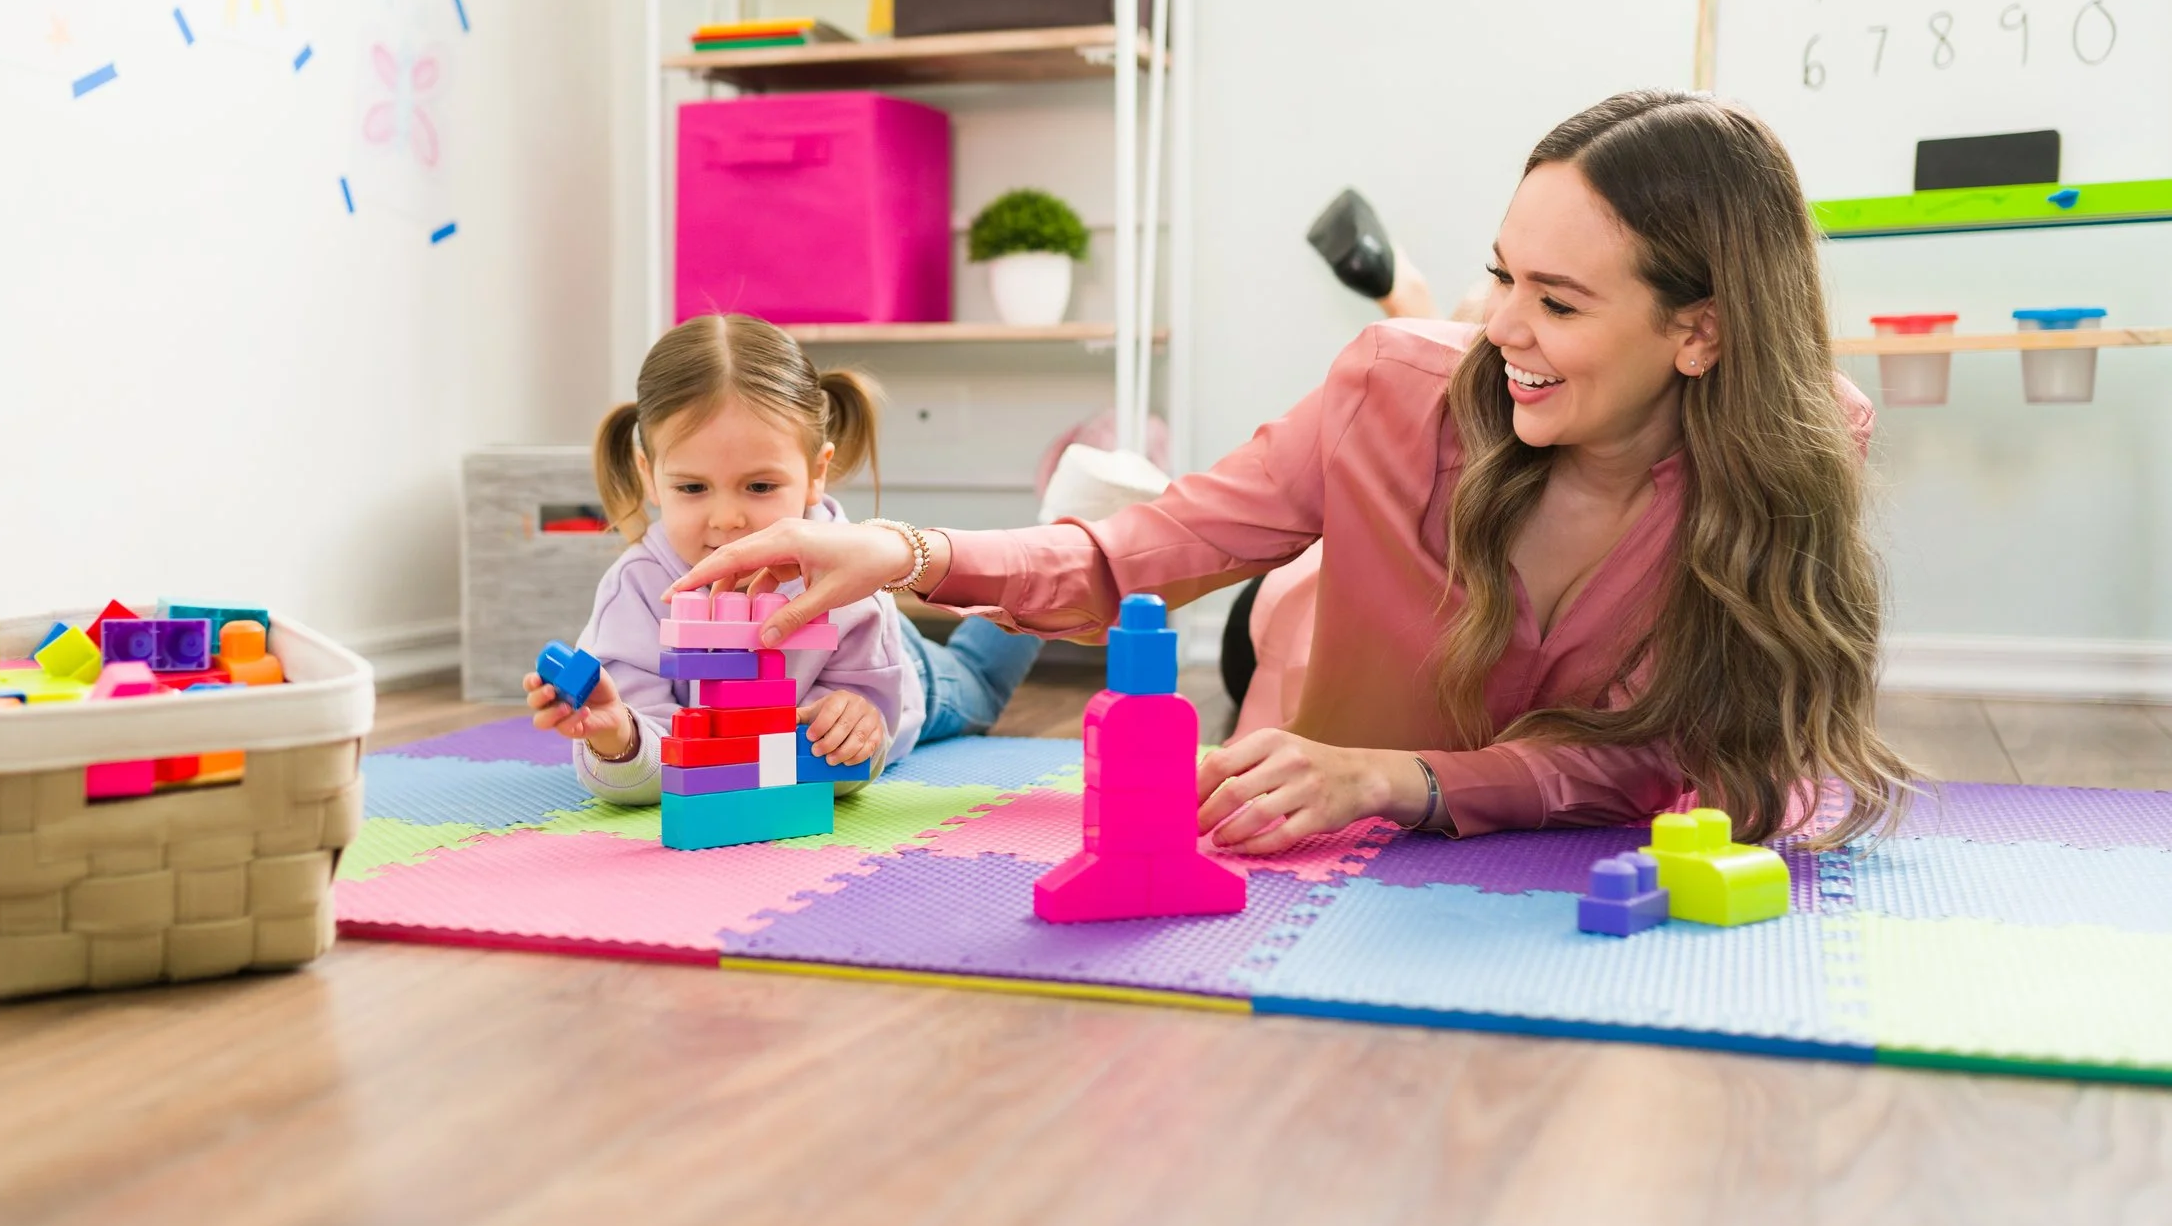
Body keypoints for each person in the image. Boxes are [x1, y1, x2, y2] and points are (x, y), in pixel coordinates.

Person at [664, 91, 1911, 854]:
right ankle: (1314, 549)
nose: (1510, 321)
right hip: (1310, 647)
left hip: (1407, 734)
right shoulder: (1393, 387)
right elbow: (1140, 552)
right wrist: (913, 554)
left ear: (1700, 331)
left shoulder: (1798, 444)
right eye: (1502, 276)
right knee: (1287, 567)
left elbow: (1688, 757)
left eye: (1559, 298)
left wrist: (1406, 781)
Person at [524, 313, 1041, 801]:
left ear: (817, 473)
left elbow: (849, 756)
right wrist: (620, 736)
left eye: (760, 485)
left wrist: (853, 722)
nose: (727, 518)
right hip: (805, 686)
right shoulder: (636, 587)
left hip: (911, 673)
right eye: (693, 487)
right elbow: (649, 759)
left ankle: (1049, 541)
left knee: (981, 677)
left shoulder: (848, 582)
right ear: (649, 475)